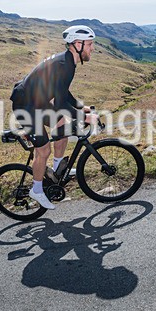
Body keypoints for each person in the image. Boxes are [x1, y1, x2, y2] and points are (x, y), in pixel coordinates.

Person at [10, 25, 98, 209]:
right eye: (90, 44)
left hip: (38, 102)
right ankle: (36, 190)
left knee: (63, 125)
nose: (92, 48)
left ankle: (58, 170)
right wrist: (83, 116)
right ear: (77, 44)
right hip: (25, 105)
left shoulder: (68, 62)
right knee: (43, 150)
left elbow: (63, 95)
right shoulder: (64, 64)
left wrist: (82, 108)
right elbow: (60, 105)